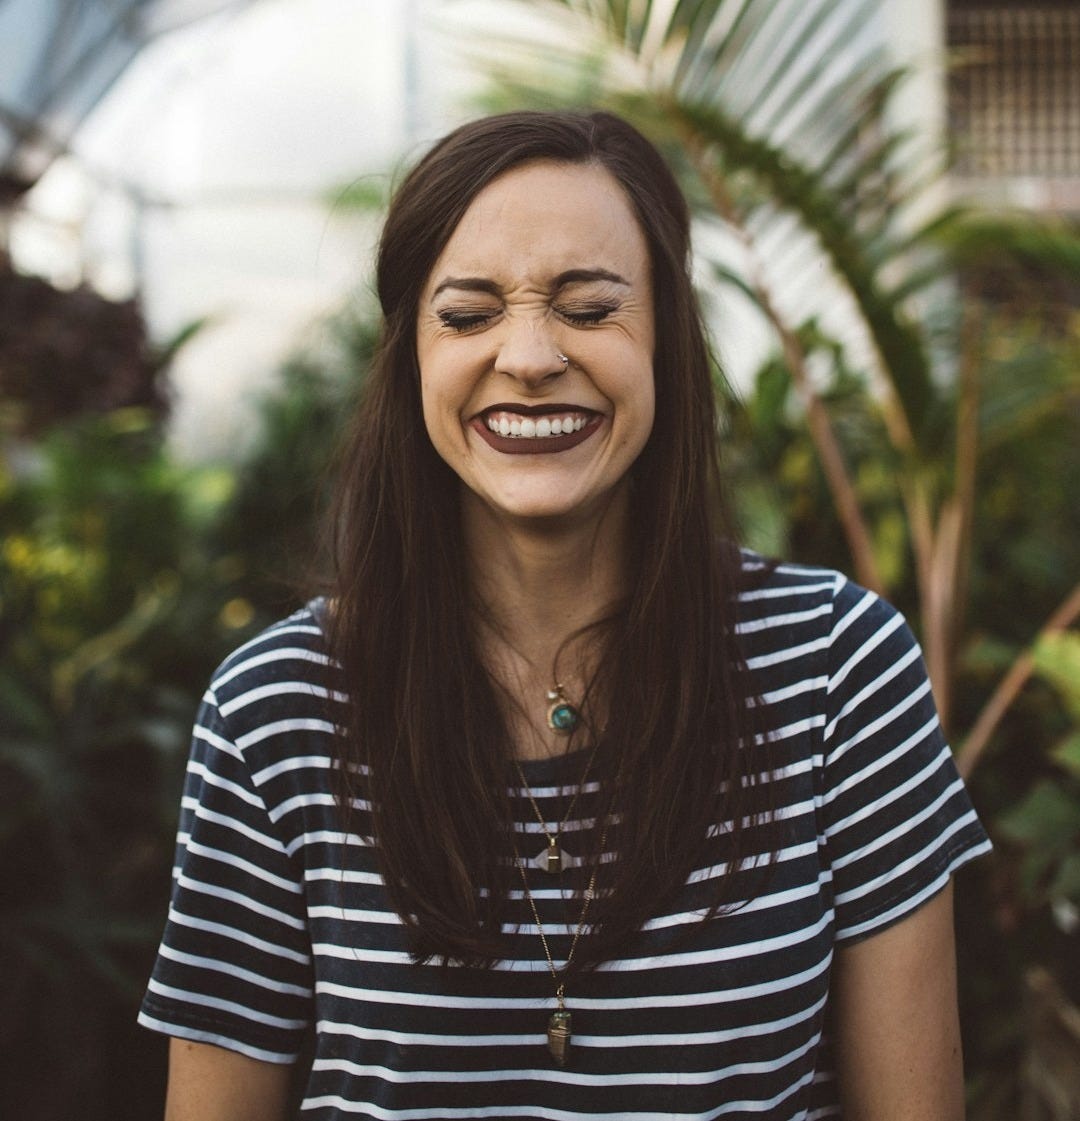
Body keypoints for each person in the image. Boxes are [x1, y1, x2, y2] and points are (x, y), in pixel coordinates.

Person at [139, 110, 990, 1120]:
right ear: (410, 353)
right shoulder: (276, 711)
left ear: (668, 339)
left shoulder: (836, 671)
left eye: (589, 308)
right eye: (467, 315)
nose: (530, 355)